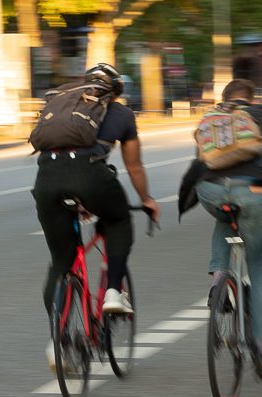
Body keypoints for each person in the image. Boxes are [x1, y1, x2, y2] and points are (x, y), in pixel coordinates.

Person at [177, 78, 262, 379]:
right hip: (253, 192)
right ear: (252, 99)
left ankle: (219, 280)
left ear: (224, 98)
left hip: (210, 191)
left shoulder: (212, 119)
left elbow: (200, 162)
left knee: (224, 217)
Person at [31, 63, 160, 367]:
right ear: (115, 93)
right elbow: (135, 167)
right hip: (92, 178)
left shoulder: (62, 106)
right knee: (118, 221)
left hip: (47, 181)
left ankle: (57, 340)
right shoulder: (121, 114)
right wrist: (147, 199)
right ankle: (113, 291)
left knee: (61, 264)